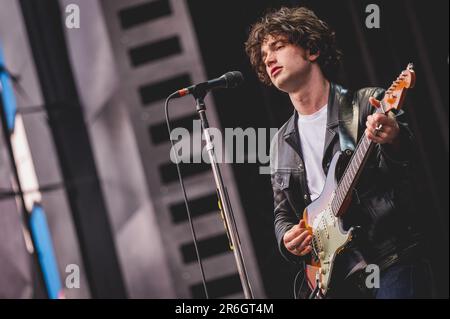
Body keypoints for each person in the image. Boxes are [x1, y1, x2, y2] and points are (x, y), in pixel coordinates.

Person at [245, 6, 433, 298]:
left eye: (278, 46)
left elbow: (406, 167)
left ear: (311, 50)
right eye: (264, 55)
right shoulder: (280, 142)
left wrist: (393, 137)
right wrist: (286, 239)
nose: (269, 58)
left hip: (389, 259)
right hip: (335, 280)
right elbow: (282, 214)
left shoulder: (367, 103)